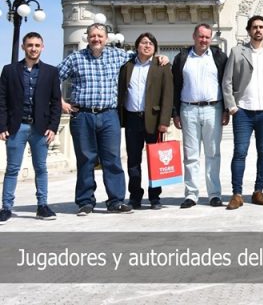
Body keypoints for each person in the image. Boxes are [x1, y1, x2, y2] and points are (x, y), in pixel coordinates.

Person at [58, 22, 135, 215]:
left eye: (100, 36)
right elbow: (52, 79)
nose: (96, 39)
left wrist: (160, 57)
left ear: (106, 39)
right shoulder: (75, 58)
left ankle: (116, 201)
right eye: (93, 36)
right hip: (82, 115)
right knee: (86, 159)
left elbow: (140, 57)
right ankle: (85, 201)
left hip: (109, 115)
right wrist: (61, 103)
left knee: (112, 159)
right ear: (87, 37)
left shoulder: (117, 55)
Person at [222, 15, 263, 209]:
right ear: (249, 31)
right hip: (243, 112)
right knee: (240, 152)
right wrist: (232, 106)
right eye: (254, 27)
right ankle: (237, 194)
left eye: (261, 27)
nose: (258, 30)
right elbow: (227, 81)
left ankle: (258, 191)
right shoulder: (237, 52)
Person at [0, 32, 61, 223]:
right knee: (12, 169)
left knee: (41, 168)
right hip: (16, 127)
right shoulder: (9, 70)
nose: (33, 48)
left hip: (40, 129)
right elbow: (1, 100)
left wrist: (53, 126)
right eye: (30, 45)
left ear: (42, 47)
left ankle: (42, 206)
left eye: (37, 45)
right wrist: (2, 126)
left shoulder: (51, 72)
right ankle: (6, 208)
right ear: (23, 47)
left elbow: (55, 102)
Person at [172, 23, 228, 209]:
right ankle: (191, 194)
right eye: (200, 36)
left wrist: (227, 109)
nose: (204, 40)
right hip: (188, 110)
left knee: (213, 154)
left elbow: (226, 85)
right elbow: (175, 86)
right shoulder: (182, 58)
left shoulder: (219, 57)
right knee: (191, 155)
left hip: (213, 109)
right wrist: (175, 112)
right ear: (194, 36)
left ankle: (214, 194)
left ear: (211, 38)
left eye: (207, 37)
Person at [117, 32, 173, 209]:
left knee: (155, 160)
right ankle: (135, 196)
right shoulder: (127, 66)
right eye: (143, 43)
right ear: (137, 46)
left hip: (154, 120)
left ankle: (155, 197)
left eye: (150, 43)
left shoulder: (161, 66)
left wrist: (165, 121)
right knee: (133, 161)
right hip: (132, 119)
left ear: (155, 48)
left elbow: (168, 95)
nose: (147, 45)